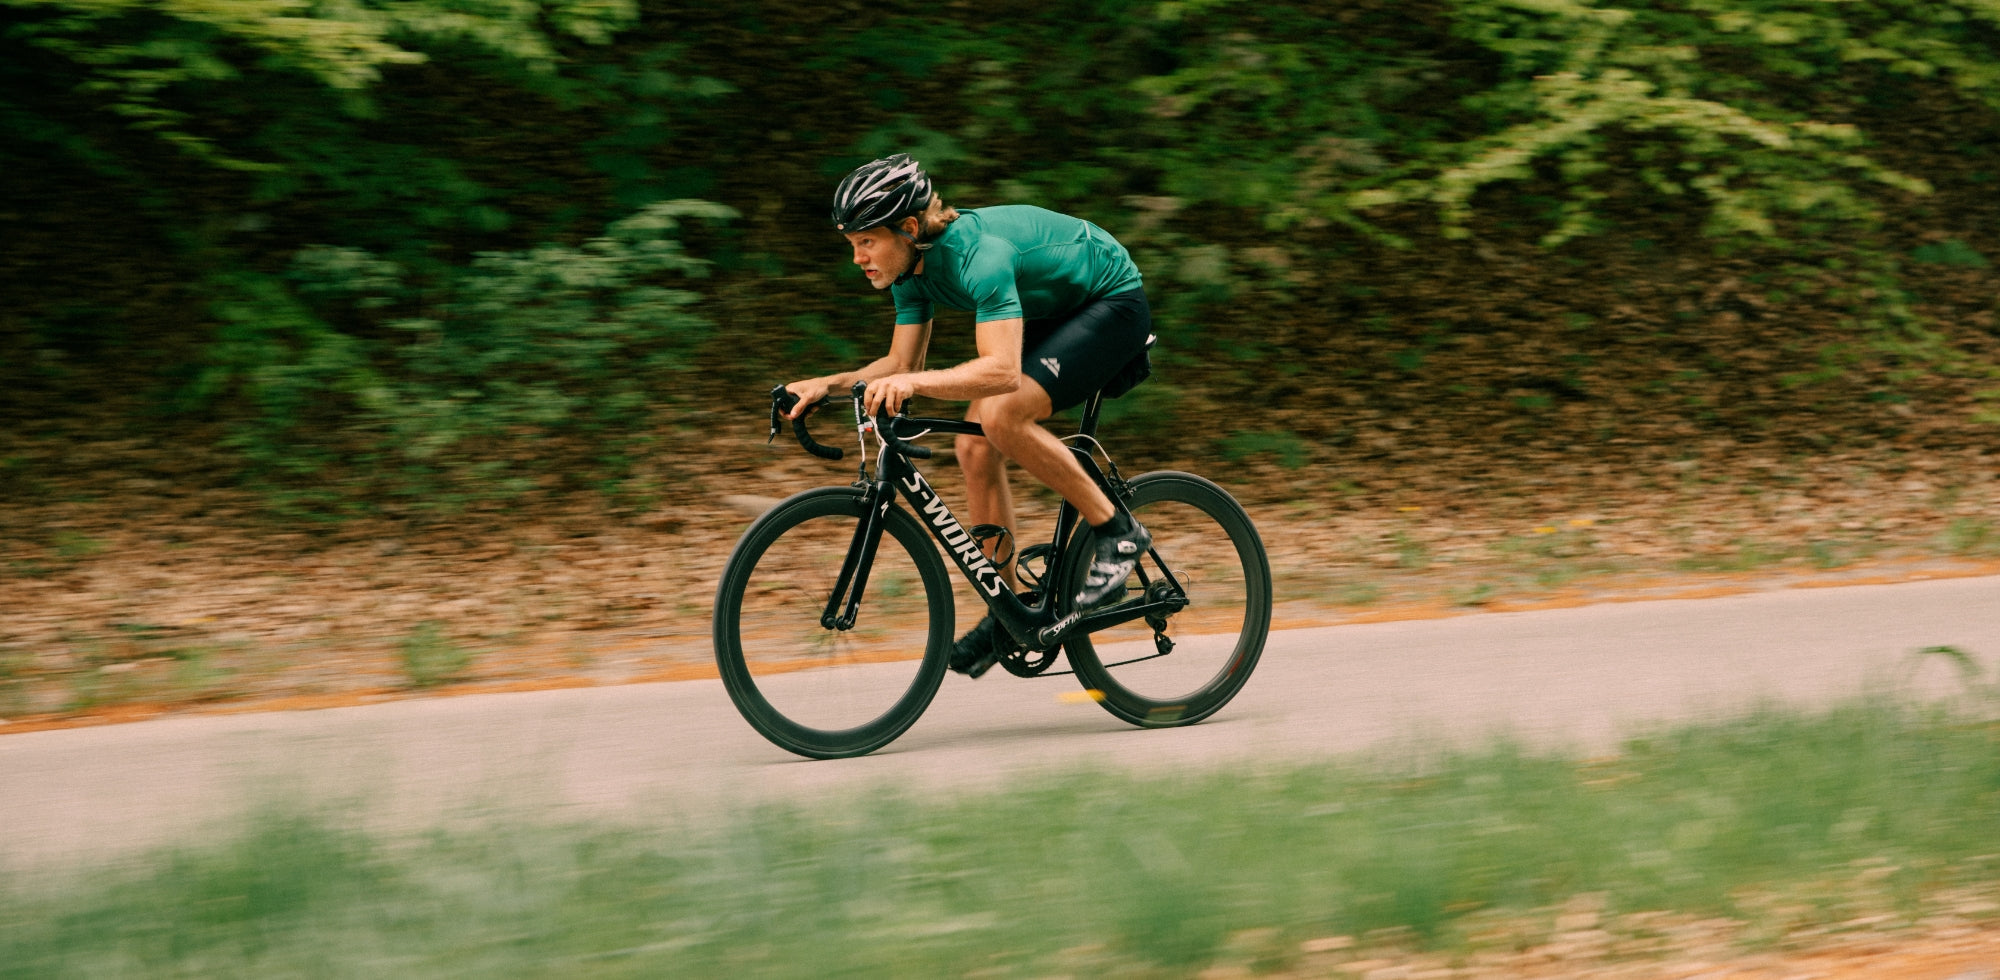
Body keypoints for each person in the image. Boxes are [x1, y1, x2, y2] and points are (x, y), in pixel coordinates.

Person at [781, 153, 1153, 677]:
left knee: (1001, 417)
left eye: (867, 241)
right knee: (974, 443)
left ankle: (1118, 531)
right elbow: (901, 363)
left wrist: (909, 383)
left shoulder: (980, 255)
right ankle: (1006, 611)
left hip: (1111, 303)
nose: (858, 256)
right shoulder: (909, 271)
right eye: (852, 244)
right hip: (1058, 311)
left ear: (908, 229)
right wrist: (828, 383)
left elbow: (999, 372)